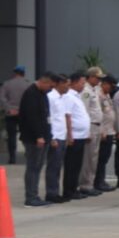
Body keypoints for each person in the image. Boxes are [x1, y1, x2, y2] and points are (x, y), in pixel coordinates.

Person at [18, 72, 53, 207]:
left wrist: (48, 135)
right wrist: (39, 135)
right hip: (33, 138)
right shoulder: (31, 94)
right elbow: (32, 118)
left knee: (37, 167)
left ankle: (35, 195)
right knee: (33, 167)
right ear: (43, 82)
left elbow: (45, 115)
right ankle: (31, 197)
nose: (50, 88)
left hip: (43, 136)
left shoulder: (42, 94)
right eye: (49, 86)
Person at [62, 72, 92, 201]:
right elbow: (67, 116)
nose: (83, 86)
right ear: (73, 83)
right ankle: (69, 190)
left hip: (81, 135)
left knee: (77, 165)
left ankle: (74, 188)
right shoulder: (69, 96)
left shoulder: (76, 96)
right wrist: (70, 135)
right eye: (81, 83)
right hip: (74, 136)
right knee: (71, 165)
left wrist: (86, 132)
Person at [78, 66, 105, 196]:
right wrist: (87, 131)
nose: (99, 80)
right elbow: (85, 111)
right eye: (97, 78)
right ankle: (85, 184)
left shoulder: (95, 89)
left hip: (97, 126)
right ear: (91, 77)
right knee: (88, 158)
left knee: (94, 158)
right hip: (91, 126)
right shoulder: (86, 91)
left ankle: (90, 183)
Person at [44, 74, 70, 203]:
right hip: (56, 137)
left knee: (58, 166)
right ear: (59, 83)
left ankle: (55, 191)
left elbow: (62, 117)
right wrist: (52, 137)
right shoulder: (51, 97)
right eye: (66, 84)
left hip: (62, 136)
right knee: (53, 166)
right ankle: (51, 193)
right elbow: (49, 118)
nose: (68, 87)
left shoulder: (62, 98)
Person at [94, 74, 118, 193]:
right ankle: (98, 182)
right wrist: (102, 131)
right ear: (105, 84)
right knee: (100, 158)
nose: (112, 89)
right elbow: (98, 114)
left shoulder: (106, 94)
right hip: (103, 132)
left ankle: (101, 180)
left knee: (105, 158)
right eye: (111, 86)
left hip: (109, 131)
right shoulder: (98, 94)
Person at [2, 65, 29, 164]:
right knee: (26, 134)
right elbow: (30, 99)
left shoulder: (7, 84)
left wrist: (9, 109)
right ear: (23, 73)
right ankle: (28, 154)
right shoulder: (28, 85)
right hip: (24, 113)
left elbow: (2, 98)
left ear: (14, 73)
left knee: (11, 136)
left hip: (11, 113)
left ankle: (12, 158)